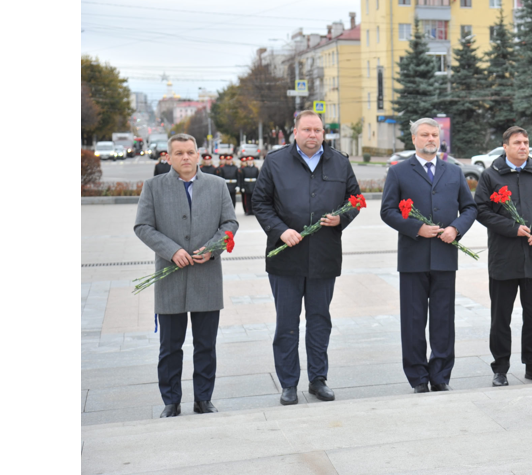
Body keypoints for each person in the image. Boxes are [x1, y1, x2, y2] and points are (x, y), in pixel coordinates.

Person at [251, 111, 362, 406]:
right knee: (287, 323)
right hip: (286, 257)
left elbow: (355, 199)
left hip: (324, 255)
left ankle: (318, 380)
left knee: (319, 321)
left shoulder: (339, 161)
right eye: (307, 129)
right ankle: (288, 384)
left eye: (317, 130)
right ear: (295, 132)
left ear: (323, 133)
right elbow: (259, 203)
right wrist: (280, 230)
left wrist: (342, 219)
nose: (312, 135)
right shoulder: (275, 162)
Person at [134, 133, 238, 418]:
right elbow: (143, 226)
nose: (186, 157)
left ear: (198, 154)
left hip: (207, 276)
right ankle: (171, 401)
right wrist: (171, 250)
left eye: (190, 152)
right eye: (179, 153)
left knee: (206, 345)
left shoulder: (217, 186)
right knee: (170, 347)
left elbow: (230, 222)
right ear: (168, 157)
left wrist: (214, 248)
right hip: (170, 276)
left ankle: (204, 399)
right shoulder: (154, 187)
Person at [380, 118, 477, 393]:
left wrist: (456, 229)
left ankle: (441, 375)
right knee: (413, 320)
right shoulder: (399, 172)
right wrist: (416, 228)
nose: (431, 139)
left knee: (444, 319)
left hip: (445, 257)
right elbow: (387, 211)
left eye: (435, 134)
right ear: (414, 139)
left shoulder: (454, 172)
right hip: (413, 257)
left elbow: (470, 209)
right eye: (425, 135)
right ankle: (418, 378)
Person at [474, 126, 532, 387]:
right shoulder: (491, 176)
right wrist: (513, 229)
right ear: (506, 147)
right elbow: (481, 210)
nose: (523, 146)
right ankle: (500, 368)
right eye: (517, 142)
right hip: (504, 257)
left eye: (526, 142)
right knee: (501, 316)